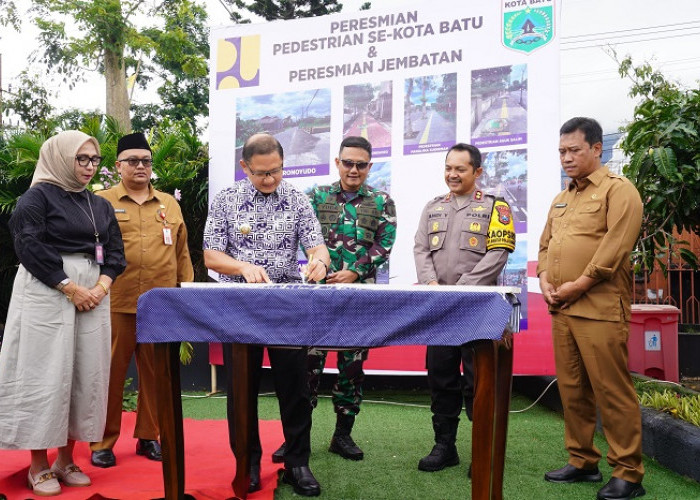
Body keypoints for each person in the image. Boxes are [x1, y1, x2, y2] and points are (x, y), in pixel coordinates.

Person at [203, 133, 330, 497]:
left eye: (275, 171)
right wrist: (242, 266)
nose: (270, 180)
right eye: (261, 174)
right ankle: (249, 463)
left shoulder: (297, 199)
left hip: (287, 304)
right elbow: (212, 256)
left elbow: (316, 246)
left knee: (295, 387)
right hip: (239, 307)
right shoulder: (227, 200)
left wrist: (319, 261)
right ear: (245, 167)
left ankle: (297, 463)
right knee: (242, 390)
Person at [0, 130, 126, 496]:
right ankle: (38, 465)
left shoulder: (99, 204)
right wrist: (69, 287)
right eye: (81, 159)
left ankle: (65, 459)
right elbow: (28, 245)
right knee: (43, 373)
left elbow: (116, 253)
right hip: (47, 290)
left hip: (94, 295)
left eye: (94, 160)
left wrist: (100, 288)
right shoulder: (35, 198)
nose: (89, 167)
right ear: (60, 157)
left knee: (86, 374)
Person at [271, 136, 397, 464]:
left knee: (351, 369)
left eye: (361, 164)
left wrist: (355, 271)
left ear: (370, 166)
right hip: (318, 297)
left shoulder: (382, 201)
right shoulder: (316, 196)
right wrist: (320, 265)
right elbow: (301, 235)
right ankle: (297, 439)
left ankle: (342, 435)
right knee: (307, 368)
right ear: (338, 163)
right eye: (348, 162)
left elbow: (385, 243)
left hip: (358, 298)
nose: (354, 169)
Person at [538, 117, 645, 500]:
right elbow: (546, 245)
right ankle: (582, 460)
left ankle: (629, 473)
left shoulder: (620, 191)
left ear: (597, 148)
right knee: (572, 390)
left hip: (598, 307)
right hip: (562, 309)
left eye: (574, 150)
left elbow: (614, 249)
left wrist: (578, 285)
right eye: (562, 152)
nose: (566, 158)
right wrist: (546, 281)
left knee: (611, 390)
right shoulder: (562, 196)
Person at [90, 132, 194, 468]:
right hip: (114, 302)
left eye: (145, 161)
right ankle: (102, 442)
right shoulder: (101, 201)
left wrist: (185, 295)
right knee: (109, 374)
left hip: (159, 304)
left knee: (155, 375)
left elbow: (181, 253)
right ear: (118, 165)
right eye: (132, 161)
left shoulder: (169, 203)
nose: (140, 166)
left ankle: (148, 436)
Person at [413, 142, 515, 475]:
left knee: (478, 381)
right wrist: (431, 284)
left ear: (477, 172)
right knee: (440, 377)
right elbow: (420, 249)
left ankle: (482, 451)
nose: (452, 174)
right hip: (440, 308)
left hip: (476, 309)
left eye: (460, 169)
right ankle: (445, 447)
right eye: (448, 168)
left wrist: (464, 288)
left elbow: (498, 253)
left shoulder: (495, 208)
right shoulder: (432, 207)